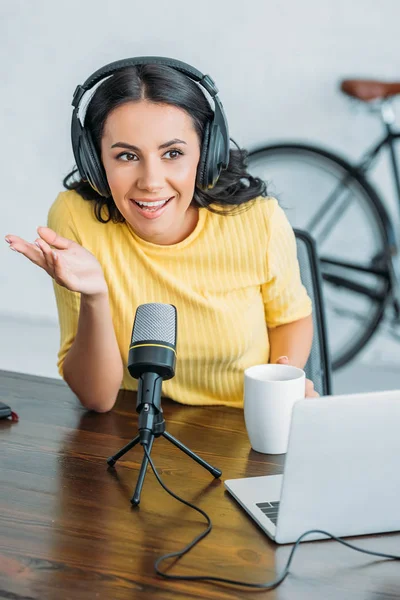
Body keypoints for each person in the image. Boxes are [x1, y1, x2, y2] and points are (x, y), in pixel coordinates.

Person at [5, 57, 318, 412]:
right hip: (130, 426)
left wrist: (280, 383)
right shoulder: (75, 219)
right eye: (126, 156)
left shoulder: (257, 222)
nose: (151, 182)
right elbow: (98, 398)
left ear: (206, 154)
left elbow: (290, 317)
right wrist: (94, 296)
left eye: (173, 153)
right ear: (95, 161)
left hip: (240, 424)